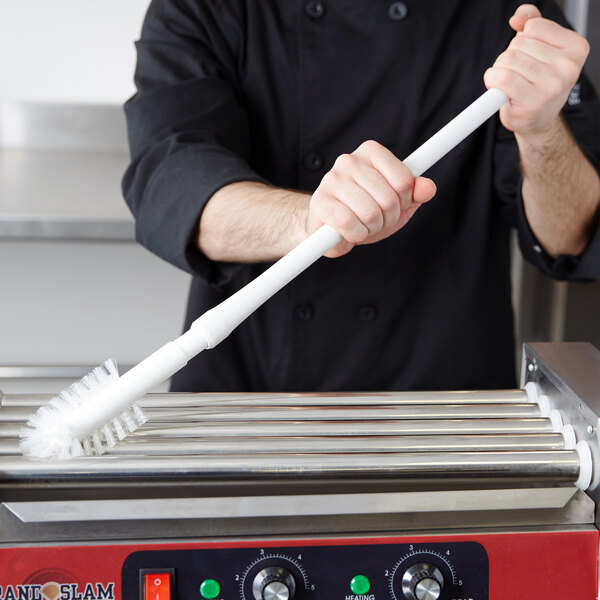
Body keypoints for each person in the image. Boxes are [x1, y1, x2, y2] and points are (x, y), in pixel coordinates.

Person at [123, 1, 600, 393]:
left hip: (441, 402)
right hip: (251, 394)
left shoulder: (508, 15)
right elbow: (172, 180)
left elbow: (570, 236)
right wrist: (311, 220)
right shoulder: (207, 7)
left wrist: (540, 131)